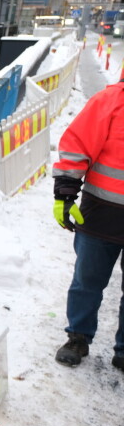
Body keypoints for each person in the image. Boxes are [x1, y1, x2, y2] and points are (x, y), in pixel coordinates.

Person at [52, 81, 124, 370]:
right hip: (100, 215)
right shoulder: (110, 100)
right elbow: (77, 146)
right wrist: (65, 193)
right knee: (87, 280)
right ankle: (78, 338)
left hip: (99, 213)